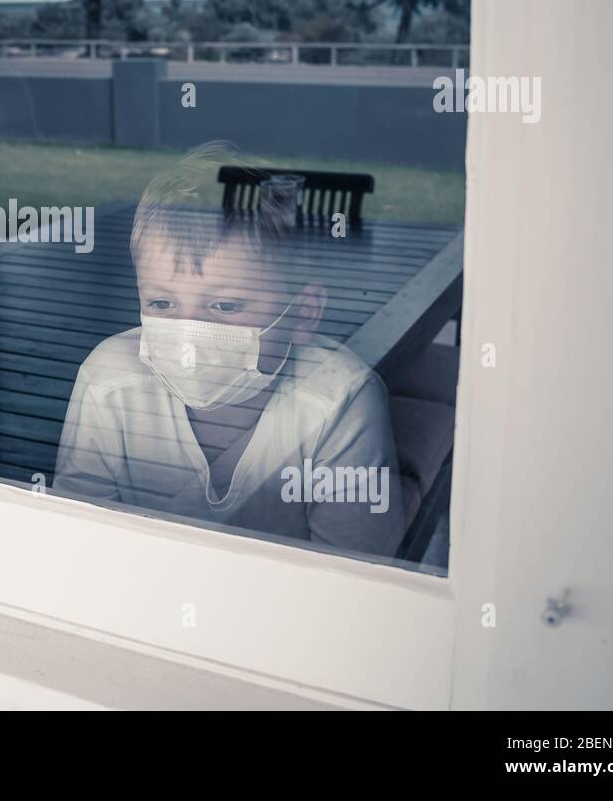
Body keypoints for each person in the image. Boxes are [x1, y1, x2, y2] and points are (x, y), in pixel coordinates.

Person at [54, 146, 404, 556]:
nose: (188, 334)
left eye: (225, 306)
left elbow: (353, 574)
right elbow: (82, 540)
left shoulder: (340, 400)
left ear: (303, 314)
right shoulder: (110, 380)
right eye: (162, 304)